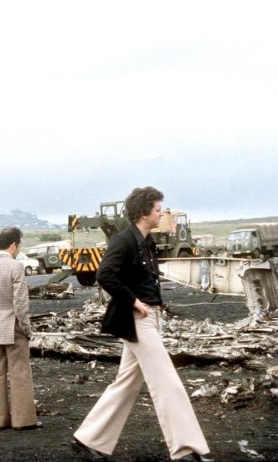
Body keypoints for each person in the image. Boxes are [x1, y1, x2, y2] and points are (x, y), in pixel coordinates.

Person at [72, 187, 212, 462]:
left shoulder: (145, 241)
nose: (162, 213)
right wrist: (134, 302)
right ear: (144, 211)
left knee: (126, 383)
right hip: (137, 321)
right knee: (167, 382)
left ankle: (88, 439)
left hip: (148, 318)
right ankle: (186, 449)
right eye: (158, 209)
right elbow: (105, 275)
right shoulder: (124, 240)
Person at [0, 227, 41, 431]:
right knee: (20, 372)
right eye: (18, 245)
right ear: (13, 245)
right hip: (14, 326)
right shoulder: (16, 267)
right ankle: (23, 420)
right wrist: (27, 329)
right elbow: (20, 303)